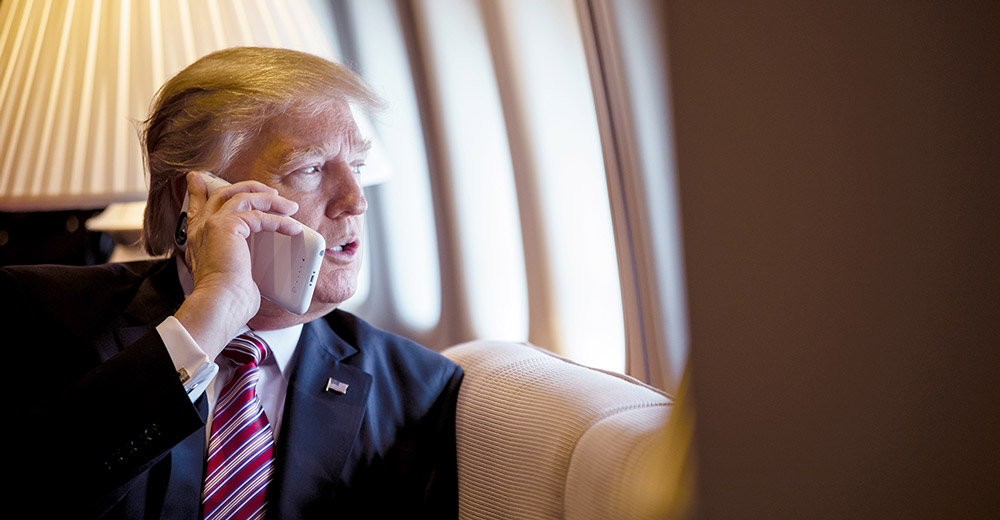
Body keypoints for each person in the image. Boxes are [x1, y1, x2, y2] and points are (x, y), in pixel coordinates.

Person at [7, 47, 462, 519]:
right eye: (309, 169)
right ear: (198, 198)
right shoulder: (39, 312)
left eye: (358, 168)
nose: (354, 201)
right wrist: (212, 315)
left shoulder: (420, 387)